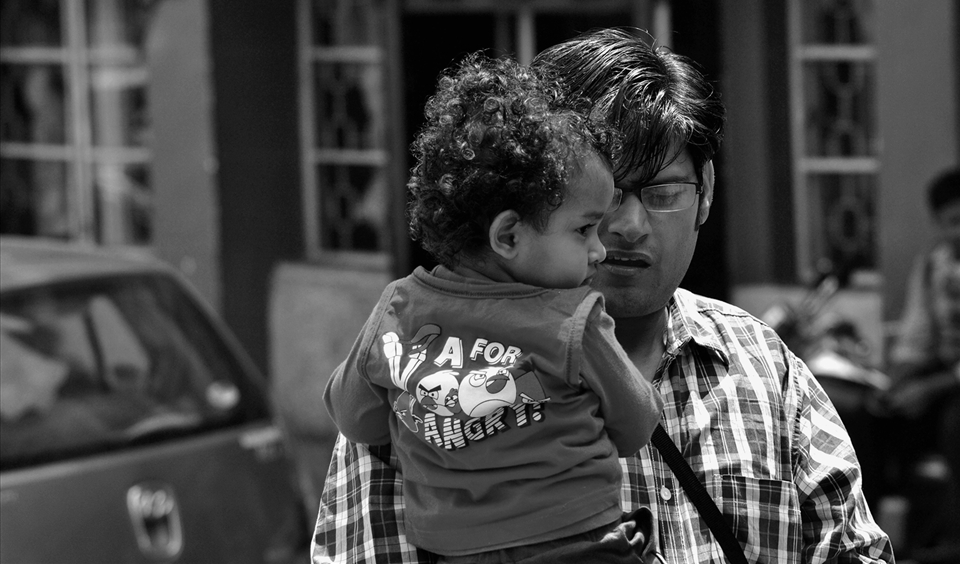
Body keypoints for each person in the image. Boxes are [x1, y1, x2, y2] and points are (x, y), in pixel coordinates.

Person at [311, 28, 895, 563]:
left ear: (707, 191)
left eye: (663, 192)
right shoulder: (416, 395)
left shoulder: (765, 371)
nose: (628, 226)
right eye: (604, 199)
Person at [322, 54, 664, 562]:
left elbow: (354, 419)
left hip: (455, 553)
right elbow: (637, 423)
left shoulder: (396, 312)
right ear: (508, 235)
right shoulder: (575, 320)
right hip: (580, 546)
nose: (599, 249)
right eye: (583, 229)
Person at [885, 165, 960, 552]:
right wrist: (897, 383)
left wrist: (930, 388)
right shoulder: (933, 265)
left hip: (952, 386)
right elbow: (917, 336)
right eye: (952, 222)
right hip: (941, 374)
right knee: (887, 419)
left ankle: (950, 540)